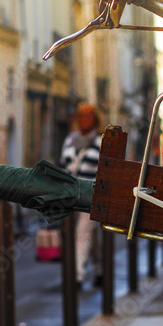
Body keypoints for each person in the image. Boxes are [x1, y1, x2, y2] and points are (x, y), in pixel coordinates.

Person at [60, 102, 102, 287]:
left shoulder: (101, 141)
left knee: (82, 233)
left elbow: (105, 170)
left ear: (95, 120)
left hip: (91, 195)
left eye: (89, 116)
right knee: (87, 236)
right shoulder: (70, 139)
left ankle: (77, 276)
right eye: (82, 116)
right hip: (70, 194)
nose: (85, 119)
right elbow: (63, 165)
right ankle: (100, 269)